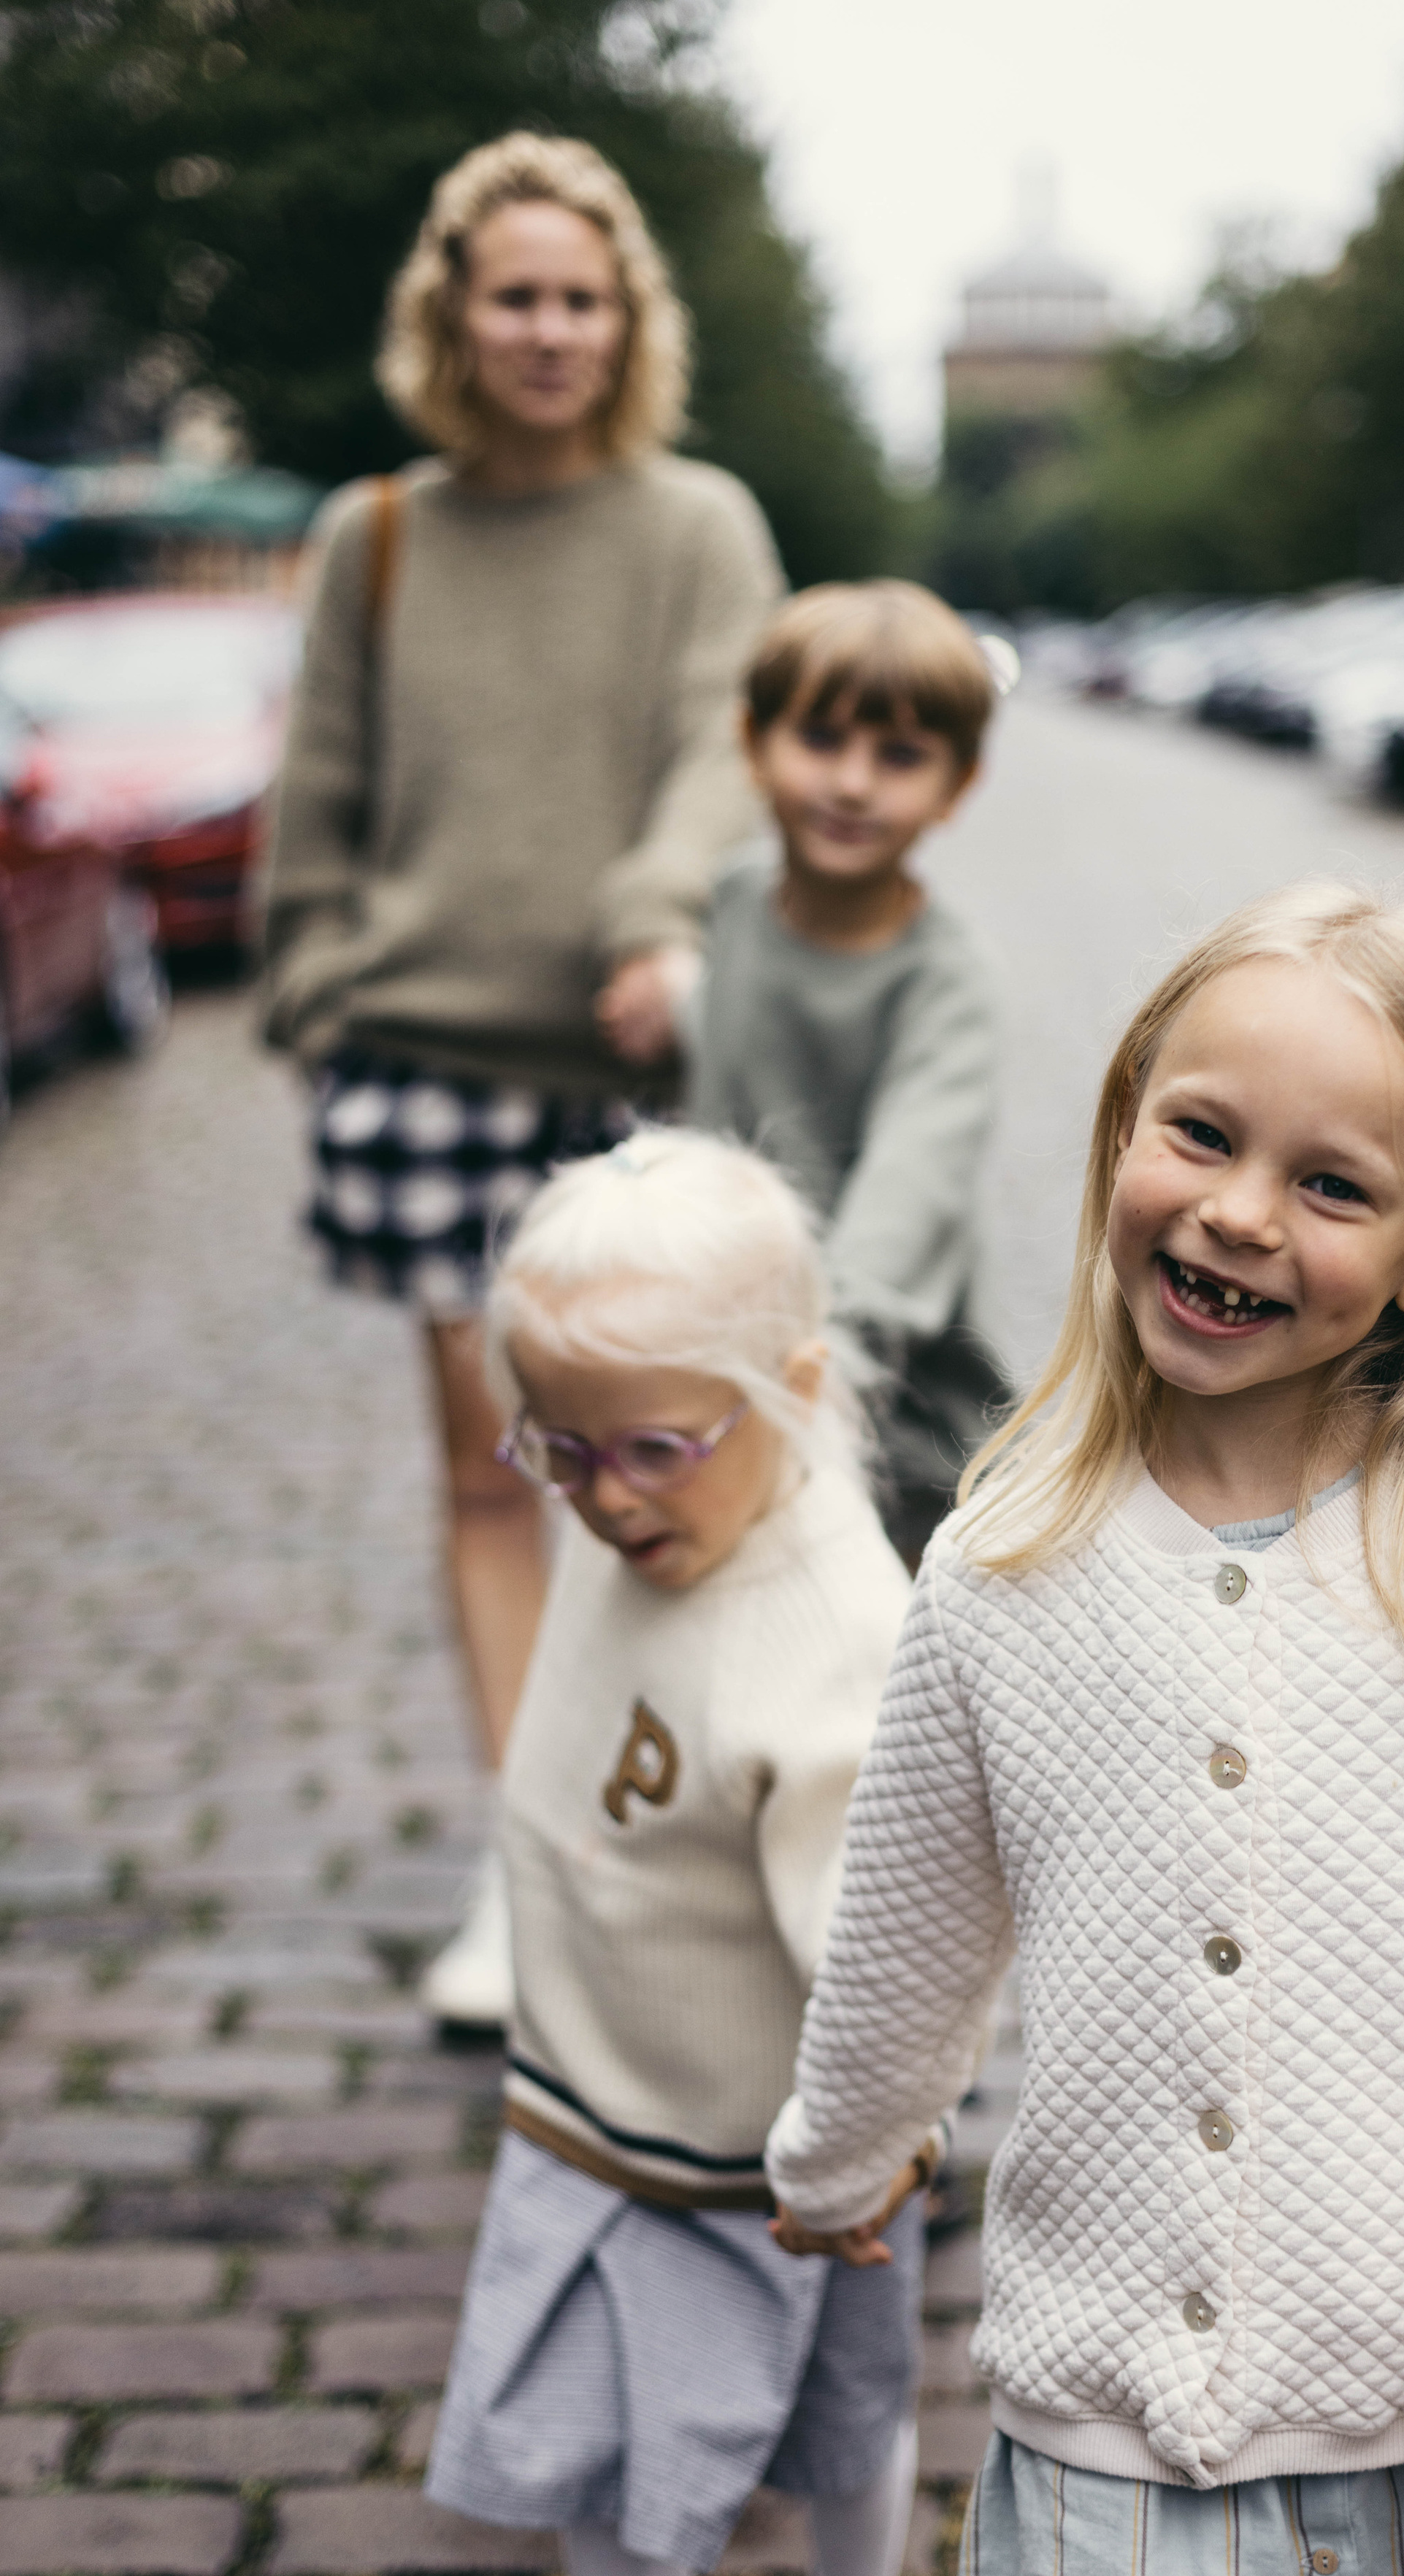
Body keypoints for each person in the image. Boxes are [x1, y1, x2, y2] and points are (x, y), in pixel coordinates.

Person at [767, 883, 1404, 2576]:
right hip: (1105, 2438)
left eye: (1336, 1185)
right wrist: (842, 2151)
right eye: (1198, 1132)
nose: (1238, 1213)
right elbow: (912, 1920)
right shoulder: (1004, 1559)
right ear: (1122, 1126)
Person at [258, 132, 781, 2026]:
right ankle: (537, 1866)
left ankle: (689, 1845)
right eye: (516, 296)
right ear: (456, 318)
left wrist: (657, 916)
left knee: (663, 1476)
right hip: (422, 1067)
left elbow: (723, 751)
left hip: (633, 1078)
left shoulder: (699, 524)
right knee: (497, 1488)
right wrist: (317, 980)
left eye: (583, 297)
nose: (550, 328)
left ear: (625, 317)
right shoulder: (373, 536)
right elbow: (314, 786)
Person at [424, 1130, 943, 2576]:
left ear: (790, 1388)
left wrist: (860, 2148)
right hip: (590, 2110)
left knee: (854, 2418)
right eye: (557, 1447)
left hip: (800, 2151)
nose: (602, 1491)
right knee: (603, 2443)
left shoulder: (834, 1643)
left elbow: (895, 1951)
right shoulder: (625, 1501)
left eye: (649, 1445)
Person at [684, 580, 1011, 1568]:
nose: (854, 782)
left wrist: (804, 1384)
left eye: (901, 756)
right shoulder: (732, 904)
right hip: (704, 1359)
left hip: (878, 1398)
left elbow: (903, 1210)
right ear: (753, 745)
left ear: (957, 787)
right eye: (821, 738)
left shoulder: (947, 983)